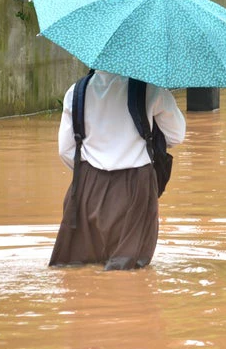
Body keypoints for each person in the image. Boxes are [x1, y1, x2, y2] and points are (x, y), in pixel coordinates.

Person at [50, 70, 186, 270]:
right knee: (127, 268)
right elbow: (176, 136)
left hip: (86, 187)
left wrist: (90, 173)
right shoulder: (151, 88)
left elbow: (66, 150)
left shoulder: (76, 91)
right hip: (136, 187)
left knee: (78, 265)